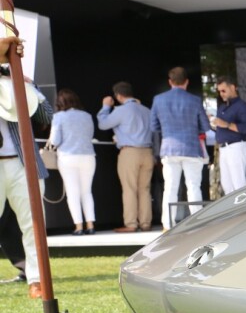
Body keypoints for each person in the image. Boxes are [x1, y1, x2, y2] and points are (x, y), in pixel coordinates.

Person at [0, 35, 53, 298]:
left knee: (33, 224)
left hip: (23, 165)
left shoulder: (18, 82)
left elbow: (46, 117)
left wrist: (31, 88)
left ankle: (36, 279)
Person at [150, 66, 210, 230]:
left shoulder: (158, 99)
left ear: (170, 82)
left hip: (169, 148)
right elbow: (205, 126)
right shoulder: (195, 100)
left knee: (170, 187)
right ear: (187, 82)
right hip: (191, 148)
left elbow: (153, 126)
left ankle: (167, 225)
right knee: (193, 186)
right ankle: (198, 224)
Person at [97, 81, 154, 232]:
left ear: (118, 96)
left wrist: (105, 107)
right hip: (148, 152)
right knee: (145, 189)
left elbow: (103, 124)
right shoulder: (147, 110)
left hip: (130, 153)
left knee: (129, 189)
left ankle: (131, 224)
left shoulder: (122, 110)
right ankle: (146, 223)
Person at [48, 88, 97, 235]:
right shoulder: (87, 116)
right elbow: (90, 135)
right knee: (87, 192)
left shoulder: (59, 117)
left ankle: (79, 227)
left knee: (72, 193)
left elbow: (55, 140)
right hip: (88, 156)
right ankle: (91, 225)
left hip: (68, 157)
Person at [210, 75, 246, 192]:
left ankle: (245, 210)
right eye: (219, 91)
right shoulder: (223, 107)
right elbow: (222, 127)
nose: (221, 94)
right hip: (224, 148)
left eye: (223, 90)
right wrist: (214, 123)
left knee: (238, 184)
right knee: (227, 185)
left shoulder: (242, 106)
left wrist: (227, 124)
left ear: (233, 87)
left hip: (236, 146)